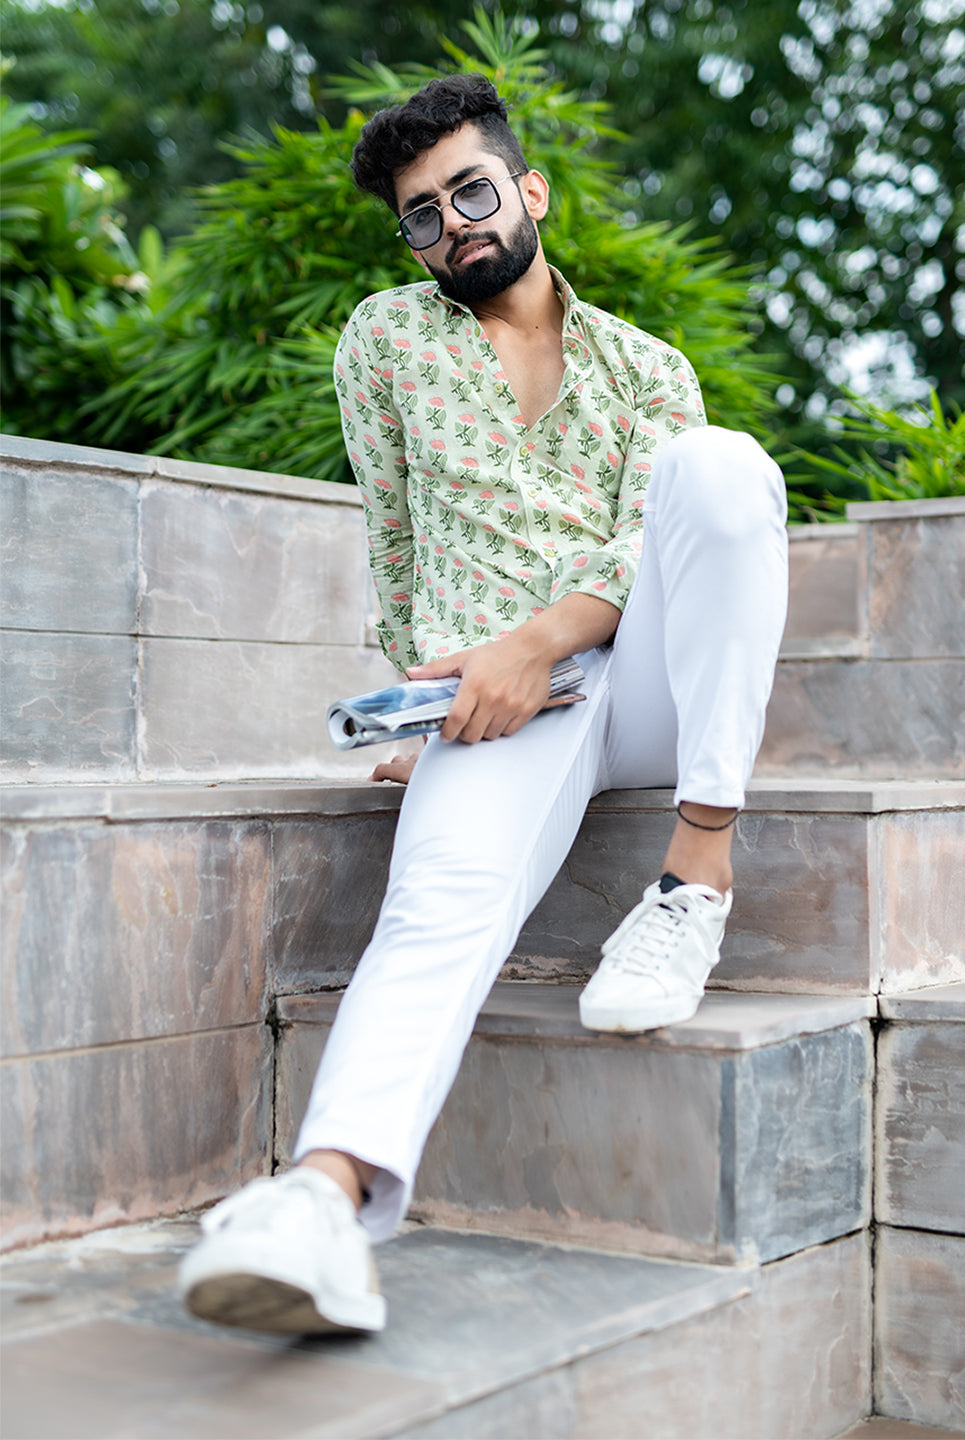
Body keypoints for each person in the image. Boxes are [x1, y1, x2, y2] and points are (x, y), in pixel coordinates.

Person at [179, 73, 789, 1336]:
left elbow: (644, 548)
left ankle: (697, 873)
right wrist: (421, 712)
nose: (451, 223)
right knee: (437, 905)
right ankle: (318, 1204)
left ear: (528, 190)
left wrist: (537, 639)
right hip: (500, 710)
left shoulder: (648, 368)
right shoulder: (385, 341)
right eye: (420, 213)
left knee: (721, 470)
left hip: (647, 689)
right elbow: (397, 544)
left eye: (469, 190)